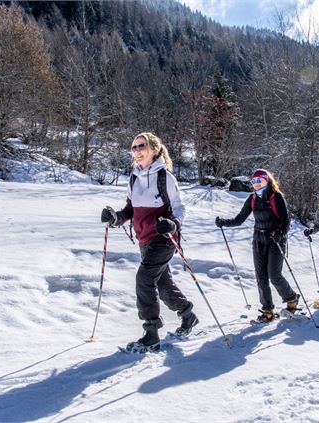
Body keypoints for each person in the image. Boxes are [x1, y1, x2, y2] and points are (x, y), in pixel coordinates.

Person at [100, 132, 198, 353]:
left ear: (154, 150)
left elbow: (180, 208)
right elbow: (130, 210)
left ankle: (151, 332)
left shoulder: (165, 177)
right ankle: (188, 315)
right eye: (133, 148)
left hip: (163, 239)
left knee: (144, 279)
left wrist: (173, 223)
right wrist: (115, 218)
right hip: (144, 240)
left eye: (141, 146)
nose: (136, 151)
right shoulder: (134, 178)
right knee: (163, 286)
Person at [215, 169, 300, 323]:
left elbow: (286, 222)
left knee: (274, 275)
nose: (256, 183)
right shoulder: (252, 198)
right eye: (253, 181)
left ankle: (291, 298)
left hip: (275, 241)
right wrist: (224, 223)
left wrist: (279, 234)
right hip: (258, 241)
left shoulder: (276, 197)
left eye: (259, 180)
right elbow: (240, 219)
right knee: (261, 277)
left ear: (267, 180)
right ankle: (267, 310)